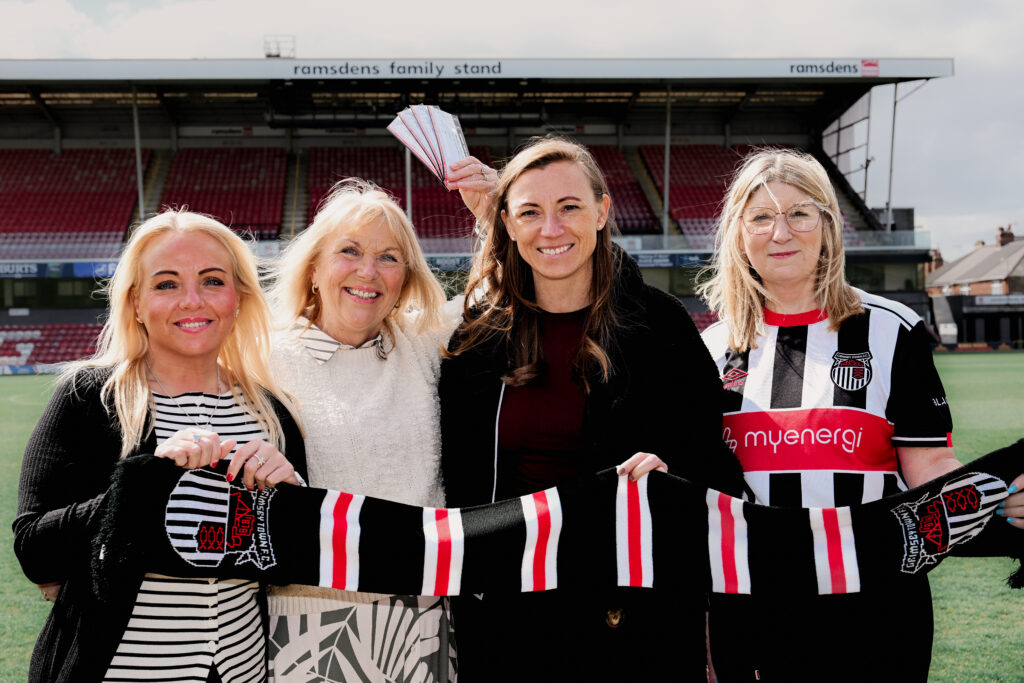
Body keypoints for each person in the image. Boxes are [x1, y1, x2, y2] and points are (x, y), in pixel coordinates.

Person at [697, 148, 1024, 682]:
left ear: (828, 225)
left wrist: (1002, 497)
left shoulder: (892, 329)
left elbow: (929, 468)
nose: (781, 232)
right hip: (751, 605)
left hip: (875, 600)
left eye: (800, 213)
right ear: (738, 233)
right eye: (761, 217)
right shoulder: (710, 350)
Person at [438, 136, 746, 682]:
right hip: (511, 615)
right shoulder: (478, 340)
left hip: (636, 616)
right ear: (505, 223)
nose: (551, 229)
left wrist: (672, 467)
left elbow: (714, 461)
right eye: (530, 212)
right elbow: (460, 483)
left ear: (602, 212)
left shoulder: (659, 323)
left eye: (570, 207)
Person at [13, 210, 307, 683]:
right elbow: (35, 553)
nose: (192, 300)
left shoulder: (271, 411)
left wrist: (290, 496)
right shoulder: (91, 397)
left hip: (242, 670)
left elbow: (286, 569)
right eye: (166, 284)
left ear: (239, 299)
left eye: (213, 281)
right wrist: (141, 484)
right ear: (134, 302)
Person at [263, 172, 494, 683]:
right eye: (349, 251)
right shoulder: (264, 357)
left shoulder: (422, 342)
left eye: (389, 257)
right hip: (312, 623)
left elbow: (502, 289)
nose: (368, 271)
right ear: (315, 267)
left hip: (428, 616)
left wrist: (492, 212)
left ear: (405, 279)